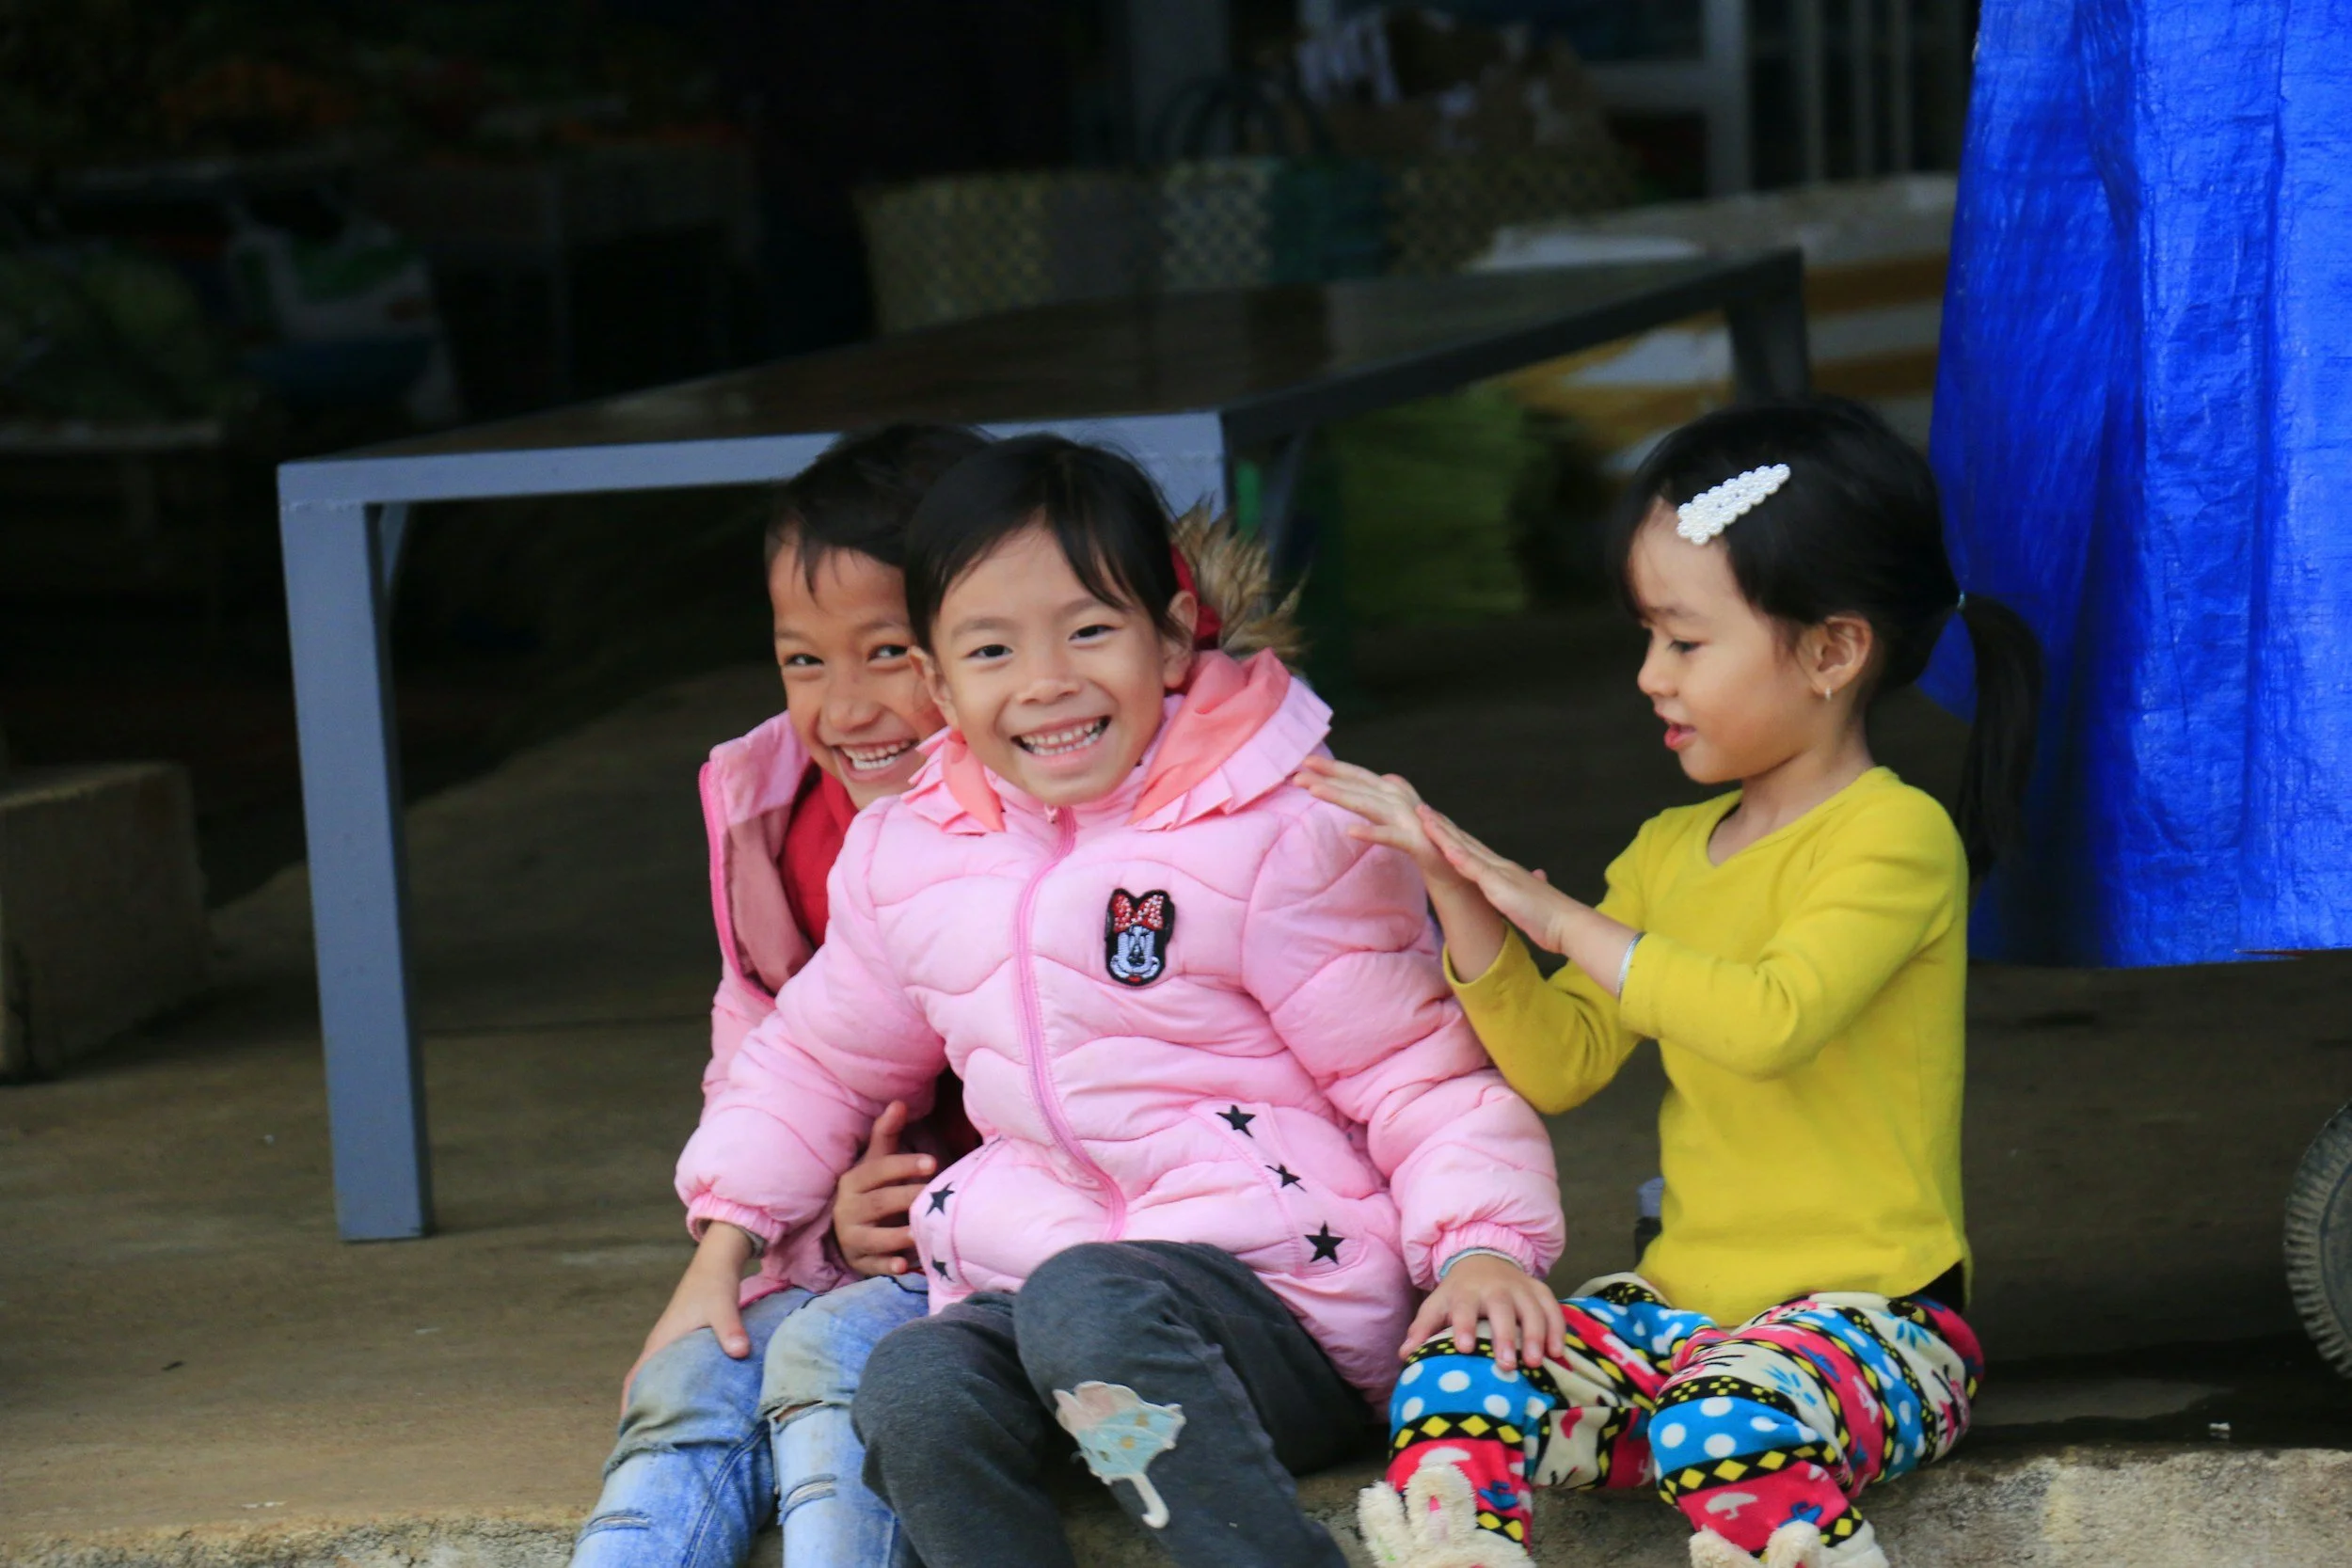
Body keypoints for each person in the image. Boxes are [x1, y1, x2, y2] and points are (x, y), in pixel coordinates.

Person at [674, 435, 1568, 1568]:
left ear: (1175, 628)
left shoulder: (1279, 831)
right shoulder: (913, 855)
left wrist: (1480, 1245)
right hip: (1060, 1312)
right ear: (943, 684)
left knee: (1087, 1298)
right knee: (914, 1378)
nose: (1046, 682)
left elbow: (1413, 1069)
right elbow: (814, 1055)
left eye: (1089, 630)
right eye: (992, 649)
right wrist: (728, 1234)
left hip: (1283, 1311)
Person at [1303, 400, 2042, 1568]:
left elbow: (1765, 1020)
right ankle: (1462, 1550)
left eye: (1685, 642)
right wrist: (1455, 889)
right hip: (1682, 1318)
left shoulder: (1892, 838)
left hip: (1879, 1325)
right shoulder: (1665, 848)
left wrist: (1555, 913)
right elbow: (1560, 1061)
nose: (1650, 674)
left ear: (1831, 650)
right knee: (1456, 1370)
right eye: (1647, 636)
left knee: (1715, 1424)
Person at [574, 422, 987, 1568]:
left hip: (1025, 1258)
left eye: (889, 651)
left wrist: (922, 1218)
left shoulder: (1056, 831)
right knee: (690, 1376)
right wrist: (766, 1238)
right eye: (804, 659)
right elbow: (775, 1059)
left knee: (829, 1374)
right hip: (855, 1239)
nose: (843, 706)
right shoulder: (785, 819)